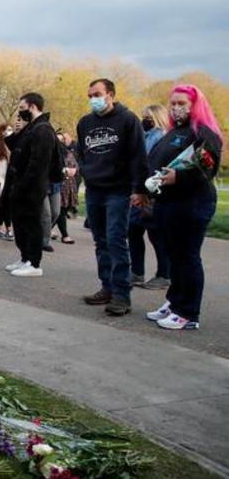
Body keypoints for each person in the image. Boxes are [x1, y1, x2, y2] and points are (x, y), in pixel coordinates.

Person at [143, 85, 223, 330]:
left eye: (182, 104)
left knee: (187, 256)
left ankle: (188, 312)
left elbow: (206, 169)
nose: (176, 108)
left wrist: (178, 177)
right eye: (173, 103)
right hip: (168, 202)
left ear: (194, 106)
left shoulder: (204, 133)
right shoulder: (173, 132)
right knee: (174, 256)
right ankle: (175, 301)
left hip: (192, 204)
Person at [75, 78, 148, 316]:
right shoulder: (85, 123)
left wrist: (139, 188)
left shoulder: (128, 120)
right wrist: (86, 171)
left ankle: (121, 295)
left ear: (111, 95)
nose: (93, 99)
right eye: (90, 96)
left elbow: (138, 155)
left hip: (119, 189)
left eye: (97, 94)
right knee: (101, 241)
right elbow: (81, 152)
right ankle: (106, 286)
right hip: (94, 189)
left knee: (116, 240)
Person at [4, 93, 57, 278]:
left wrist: (26, 185)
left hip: (32, 187)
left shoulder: (43, 130)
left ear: (32, 106)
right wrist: (16, 132)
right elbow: (15, 147)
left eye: (22, 108)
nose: (20, 112)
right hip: (21, 184)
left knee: (31, 223)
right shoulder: (31, 128)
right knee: (20, 222)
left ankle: (34, 262)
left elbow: (38, 163)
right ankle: (25, 257)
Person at [129, 105, 170, 289]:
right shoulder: (143, 136)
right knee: (133, 230)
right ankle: (137, 272)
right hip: (139, 189)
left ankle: (164, 274)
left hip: (153, 192)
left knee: (156, 234)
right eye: (143, 116)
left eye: (148, 117)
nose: (144, 120)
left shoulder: (161, 138)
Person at [53, 133, 78, 245]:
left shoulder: (68, 153)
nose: (60, 142)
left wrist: (74, 170)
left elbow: (75, 165)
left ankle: (47, 230)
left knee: (63, 209)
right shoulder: (52, 153)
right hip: (57, 184)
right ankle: (65, 235)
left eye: (62, 140)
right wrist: (64, 170)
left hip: (69, 185)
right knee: (59, 210)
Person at [0, 124, 13, 239]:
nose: (9, 132)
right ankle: (8, 229)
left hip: (9, 178)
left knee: (3, 203)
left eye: (11, 130)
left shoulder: (13, 144)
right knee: (5, 203)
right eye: (7, 130)